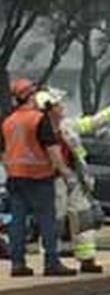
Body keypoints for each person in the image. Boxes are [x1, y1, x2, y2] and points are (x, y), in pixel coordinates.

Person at [37, 89, 110, 273]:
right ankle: (51, 260)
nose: (63, 107)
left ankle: (87, 259)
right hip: (53, 181)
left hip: (75, 179)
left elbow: (89, 124)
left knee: (83, 218)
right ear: (49, 109)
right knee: (54, 220)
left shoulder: (67, 126)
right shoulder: (38, 129)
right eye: (59, 104)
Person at [2, 79, 77, 277]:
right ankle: (51, 262)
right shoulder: (38, 119)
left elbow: (3, 152)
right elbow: (52, 149)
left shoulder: (8, 122)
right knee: (47, 220)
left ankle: (18, 264)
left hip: (15, 178)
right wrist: (65, 172)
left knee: (17, 221)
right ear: (29, 95)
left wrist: (10, 169)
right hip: (39, 177)